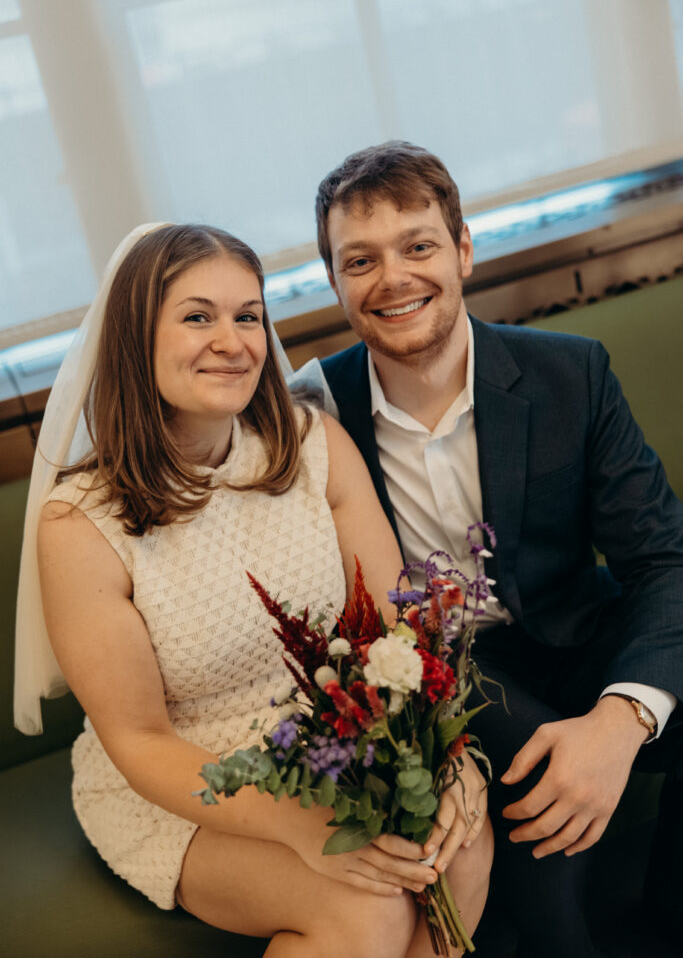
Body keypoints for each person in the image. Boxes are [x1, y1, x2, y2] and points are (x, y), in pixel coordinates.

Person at [13, 222, 493, 958]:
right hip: (186, 784)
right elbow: (140, 740)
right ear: (135, 338)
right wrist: (299, 826)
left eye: (248, 316)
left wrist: (443, 756)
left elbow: (394, 638)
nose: (233, 340)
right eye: (197, 316)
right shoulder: (79, 525)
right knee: (367, 912)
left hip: (339, 747)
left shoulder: (313, 446)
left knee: (457, 848)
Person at [313, 141, 683, 958]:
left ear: (463, 251)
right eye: (360, 260)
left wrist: (623, 716)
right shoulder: (314, 416)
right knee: (537, 781)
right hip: (438, 679)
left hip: (571, 630)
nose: (394, 277)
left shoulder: (570, 374)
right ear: (335, 283)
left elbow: (662, 559)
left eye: (418, 245)